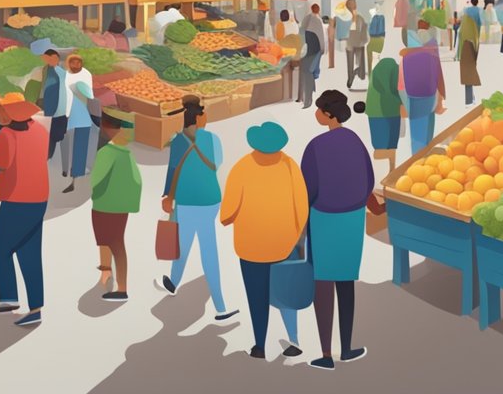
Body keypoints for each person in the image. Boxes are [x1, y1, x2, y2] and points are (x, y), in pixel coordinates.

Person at [221, 121, 309, 360]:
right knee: (285, 294)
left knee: (256, 296)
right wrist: (297, 237)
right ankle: (294, 340)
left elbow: (227, 213)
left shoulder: (241, 167)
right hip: (285, 245)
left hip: (251, 247)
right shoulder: (290, 166)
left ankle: (260, 345)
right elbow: (302, 208)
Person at [303, 91, 373, 370]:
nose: (316, 113)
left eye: (319, 109)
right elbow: (368, 180)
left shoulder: (316, 146)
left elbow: (308, 189)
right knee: (346, 282)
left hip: (324, 218)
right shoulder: (355, 141)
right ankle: (347, 347)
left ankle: (325, 353)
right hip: (353, 219)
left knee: (323, 283)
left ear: (328, 114)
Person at [159, 96, 239, 322]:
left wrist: (168, 195)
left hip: (184, 199)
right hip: (209, 199)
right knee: (209, 249)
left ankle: (174, 282)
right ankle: (220, 306)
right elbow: (218, 162)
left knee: (183, 243)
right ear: (199, 116)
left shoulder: (177, 140)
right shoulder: (212, 139)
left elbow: (172, 170)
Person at [0, 93, 50, 327]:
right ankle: (33, 307)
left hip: (17, 198)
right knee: (30, 252)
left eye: (3, 110)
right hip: (39, 196)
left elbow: (2, 164)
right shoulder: (40, 131)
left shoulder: (6, 134)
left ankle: (10, 297)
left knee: (0, 247)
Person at [90, 115, 142, 302]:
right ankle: (106, 271)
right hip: (121, 207)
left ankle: (122, 288)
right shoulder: (126, 153)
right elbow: (136, 181)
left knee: (113, 243)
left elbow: (95, 179)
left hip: (105, 204)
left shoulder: (106, 153)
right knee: (112, 240)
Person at [400, 10, 446, 154]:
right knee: (427, 134)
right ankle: (424, 161)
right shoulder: (431, 48)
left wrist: (404, 103)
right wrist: (441, 99)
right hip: (430, 95)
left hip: (415, 98)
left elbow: (401, 85)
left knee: (418, 138)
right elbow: (438, 74)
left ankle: (419, 164)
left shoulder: (406, 56)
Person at [63, 54, 95, 193]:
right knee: (68, 144)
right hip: (68, 114)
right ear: (69, 63)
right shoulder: (65, 75)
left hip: (81, 114)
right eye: (73, 63)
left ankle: (78, 171)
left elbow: (89, 94)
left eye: (78, 63)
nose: (76, 65)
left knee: (80, 143)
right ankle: (70, 170)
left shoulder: (86, 74)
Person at [38, 48, 71, 177]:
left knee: (56, 134)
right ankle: (48, 157)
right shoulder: (45, 69)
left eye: (47, 58)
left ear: (55, 58)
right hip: (48, 104)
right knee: (49, 134)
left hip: (59, 108)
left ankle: (54, 160)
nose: (44, 60)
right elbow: (44, 86)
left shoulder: (62, 72)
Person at [365, 57, 403, 173]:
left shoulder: (376, 75)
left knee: (386, 146)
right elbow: (397, 89)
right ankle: (392, 168)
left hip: (377, 113)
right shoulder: (394, 70)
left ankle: (392, 169)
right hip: (388, 113)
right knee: (387, 147)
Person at [298, 4, 326, 108]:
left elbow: (301, 30)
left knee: (307, 71)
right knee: (309, 71)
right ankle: (307, 97)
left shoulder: (309, 18)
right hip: (314, 48)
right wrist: (322, 49)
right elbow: (321, 36)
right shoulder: (317, 20)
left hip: (309, 48)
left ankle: (307, 99)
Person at [345, 0, 368, 90]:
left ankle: (359, 73)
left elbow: (364, 29)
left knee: (361, 67)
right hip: (350, 43)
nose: (352, 6)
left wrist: (364, 40)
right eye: (350, 4)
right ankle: (350, 78)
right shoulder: (345, 19)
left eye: (353, 4)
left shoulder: (360, 18)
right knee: (350, 63)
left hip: (359, 43)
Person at [459, 14, 481, 107]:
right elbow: (476, 40)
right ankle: (469, 100)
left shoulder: (462, 29)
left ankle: (469, 99)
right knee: (469, 77)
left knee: (466, 78)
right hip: (471, 52)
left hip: (463, 54)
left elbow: (459, 41)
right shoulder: (473, 27)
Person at [367, 6, 386, 76]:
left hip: (379, 39)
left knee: (380, 21)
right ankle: (374, 14)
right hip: (377, 40)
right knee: (378, 24)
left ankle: (374, 14)